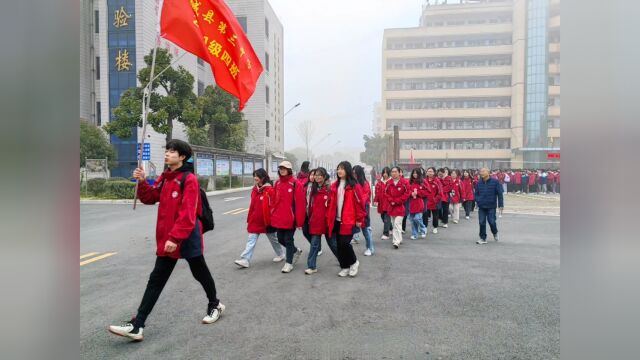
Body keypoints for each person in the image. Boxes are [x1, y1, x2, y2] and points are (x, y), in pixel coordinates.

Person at [108, 140, 223, 341]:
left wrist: (175, 238)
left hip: (186, 236)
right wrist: (143, 181)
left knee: (199, 272)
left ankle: (215, 304)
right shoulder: (166, 177)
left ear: (182, 157)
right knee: (157, 279)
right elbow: (150, 197)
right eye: (167, 150)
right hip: (170, 237)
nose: (167, 154)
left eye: (172, 151)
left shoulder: (189, 180)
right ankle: (138, 325)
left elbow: (188, 214)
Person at [233, 169, 285, 269]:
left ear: (263, 177)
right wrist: (250, 217)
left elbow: (274, 206)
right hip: (255, 220)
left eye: (257, 176)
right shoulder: (254, 190)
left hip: (267, 221)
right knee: (251, 239)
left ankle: (281, 254)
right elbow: (252, 205)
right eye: (254, 176)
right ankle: (245, 259)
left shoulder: (270, 190)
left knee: (274, 239)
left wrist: (275, 219)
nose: (255, 178)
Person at [327, 161, 366, 277]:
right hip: (336, 220)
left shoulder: (354, 186)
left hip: (348, 220)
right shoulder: (334, 186)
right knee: (339, 244)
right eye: (338, 168)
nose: (339, 171)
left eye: (342, 169)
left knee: (345, 243)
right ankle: (344, 266)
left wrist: (359, 219)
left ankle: (354, 262)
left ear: (347, 170)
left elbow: (360, 204)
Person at [271, 161, 306, 273]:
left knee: (288, 239)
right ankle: (295, 251)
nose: (282, 170)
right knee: (280, 239)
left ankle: (289, 263)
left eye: (284, 168)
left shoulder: (296, 183)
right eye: (280, 168)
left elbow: (300, 204)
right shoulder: (277, 183)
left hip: (291, 218)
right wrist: (272, 213)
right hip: (279, 217)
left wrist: (299, 222)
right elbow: (274, 201)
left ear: (289, 170)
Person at [304, 167, 334, 274]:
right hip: (316, 221)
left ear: (324, 176)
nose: (317, 177)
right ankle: (311, 266)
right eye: (315, 175)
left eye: (319, 175)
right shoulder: (313, 189)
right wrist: (310, 217)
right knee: (314, 244)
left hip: (327, 222)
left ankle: (345, 262)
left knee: (333, 245)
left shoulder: (330, 189)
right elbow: (310, 206)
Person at [474, 168, 504, 245]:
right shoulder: (478, 183)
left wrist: (501, 205)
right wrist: (478, 200)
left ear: (488, 172)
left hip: (491, 206)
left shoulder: (495, 182)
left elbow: (500, 194)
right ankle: (483, 238)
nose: (481, 173)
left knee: (492, 222)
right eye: (481, 171)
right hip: (482, 206)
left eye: (483, 171)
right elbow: (476, 194)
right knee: (481, 222)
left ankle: (495, 232)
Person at [385, 166, 410, 248]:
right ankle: (399, 238)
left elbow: (407, 193)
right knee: (394, 223)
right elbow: (386, 193)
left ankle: (396, 241)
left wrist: (398, 201)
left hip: (400, 207)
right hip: (391, 207)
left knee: (397, 224)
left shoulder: (404, 182)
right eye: (392, 172)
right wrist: (391, 200)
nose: (394, 173)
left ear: (400, 173)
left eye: (395, 171)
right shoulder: (389, 183)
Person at [353, 165, 375, 256]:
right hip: (354, 211)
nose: (353, 175)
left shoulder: (364, 184)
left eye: (354, 173)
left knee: (365, 230)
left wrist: (362, 213)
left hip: (363, 210)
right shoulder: (352, 183)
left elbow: (364, 199)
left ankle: (370, 248)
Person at [301, 169, 323, 256]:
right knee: (305, 231)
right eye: (311, 174)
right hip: (305, 213)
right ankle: (315, 245)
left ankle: (317, 247)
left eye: (314, 175)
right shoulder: (305, 185)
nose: (312, 176)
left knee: (315, 232)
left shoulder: (318, 187)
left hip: (314, 214)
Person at [408, 168, 428, 239]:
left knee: (417, 218)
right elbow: (407, 191)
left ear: (419, 174)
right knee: (413, 220)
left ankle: (423, 229)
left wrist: (418, 193)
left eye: (416, 173)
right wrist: (411, 194)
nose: (415, 174)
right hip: (412, 203)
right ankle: (414, 234)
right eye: (414, 173)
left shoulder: (422, 182)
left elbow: (427, 192)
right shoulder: (410, 182)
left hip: (419, 203)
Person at [373, 167, 392, 240]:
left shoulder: (391, 182)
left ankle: (386, 233)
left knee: (387, 217)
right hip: (381, 203)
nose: (385, 174)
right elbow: (376, 193)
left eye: (386, 173)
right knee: (382, 217)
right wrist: (375, 200)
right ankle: (390, 228)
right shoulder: (379, 182)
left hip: (388, 203)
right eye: (384, 173)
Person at [424, 167, 442, 234]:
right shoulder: (424, 181)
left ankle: (435, 227)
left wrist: (435, 199)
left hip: (435, 202)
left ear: (434, 172)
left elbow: (440, 192)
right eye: (428, 171)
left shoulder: (437, 181)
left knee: (435, 216)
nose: (430, 173)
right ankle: (425, 227)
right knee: (425, 216)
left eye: (431, 171)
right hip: (426, 202)